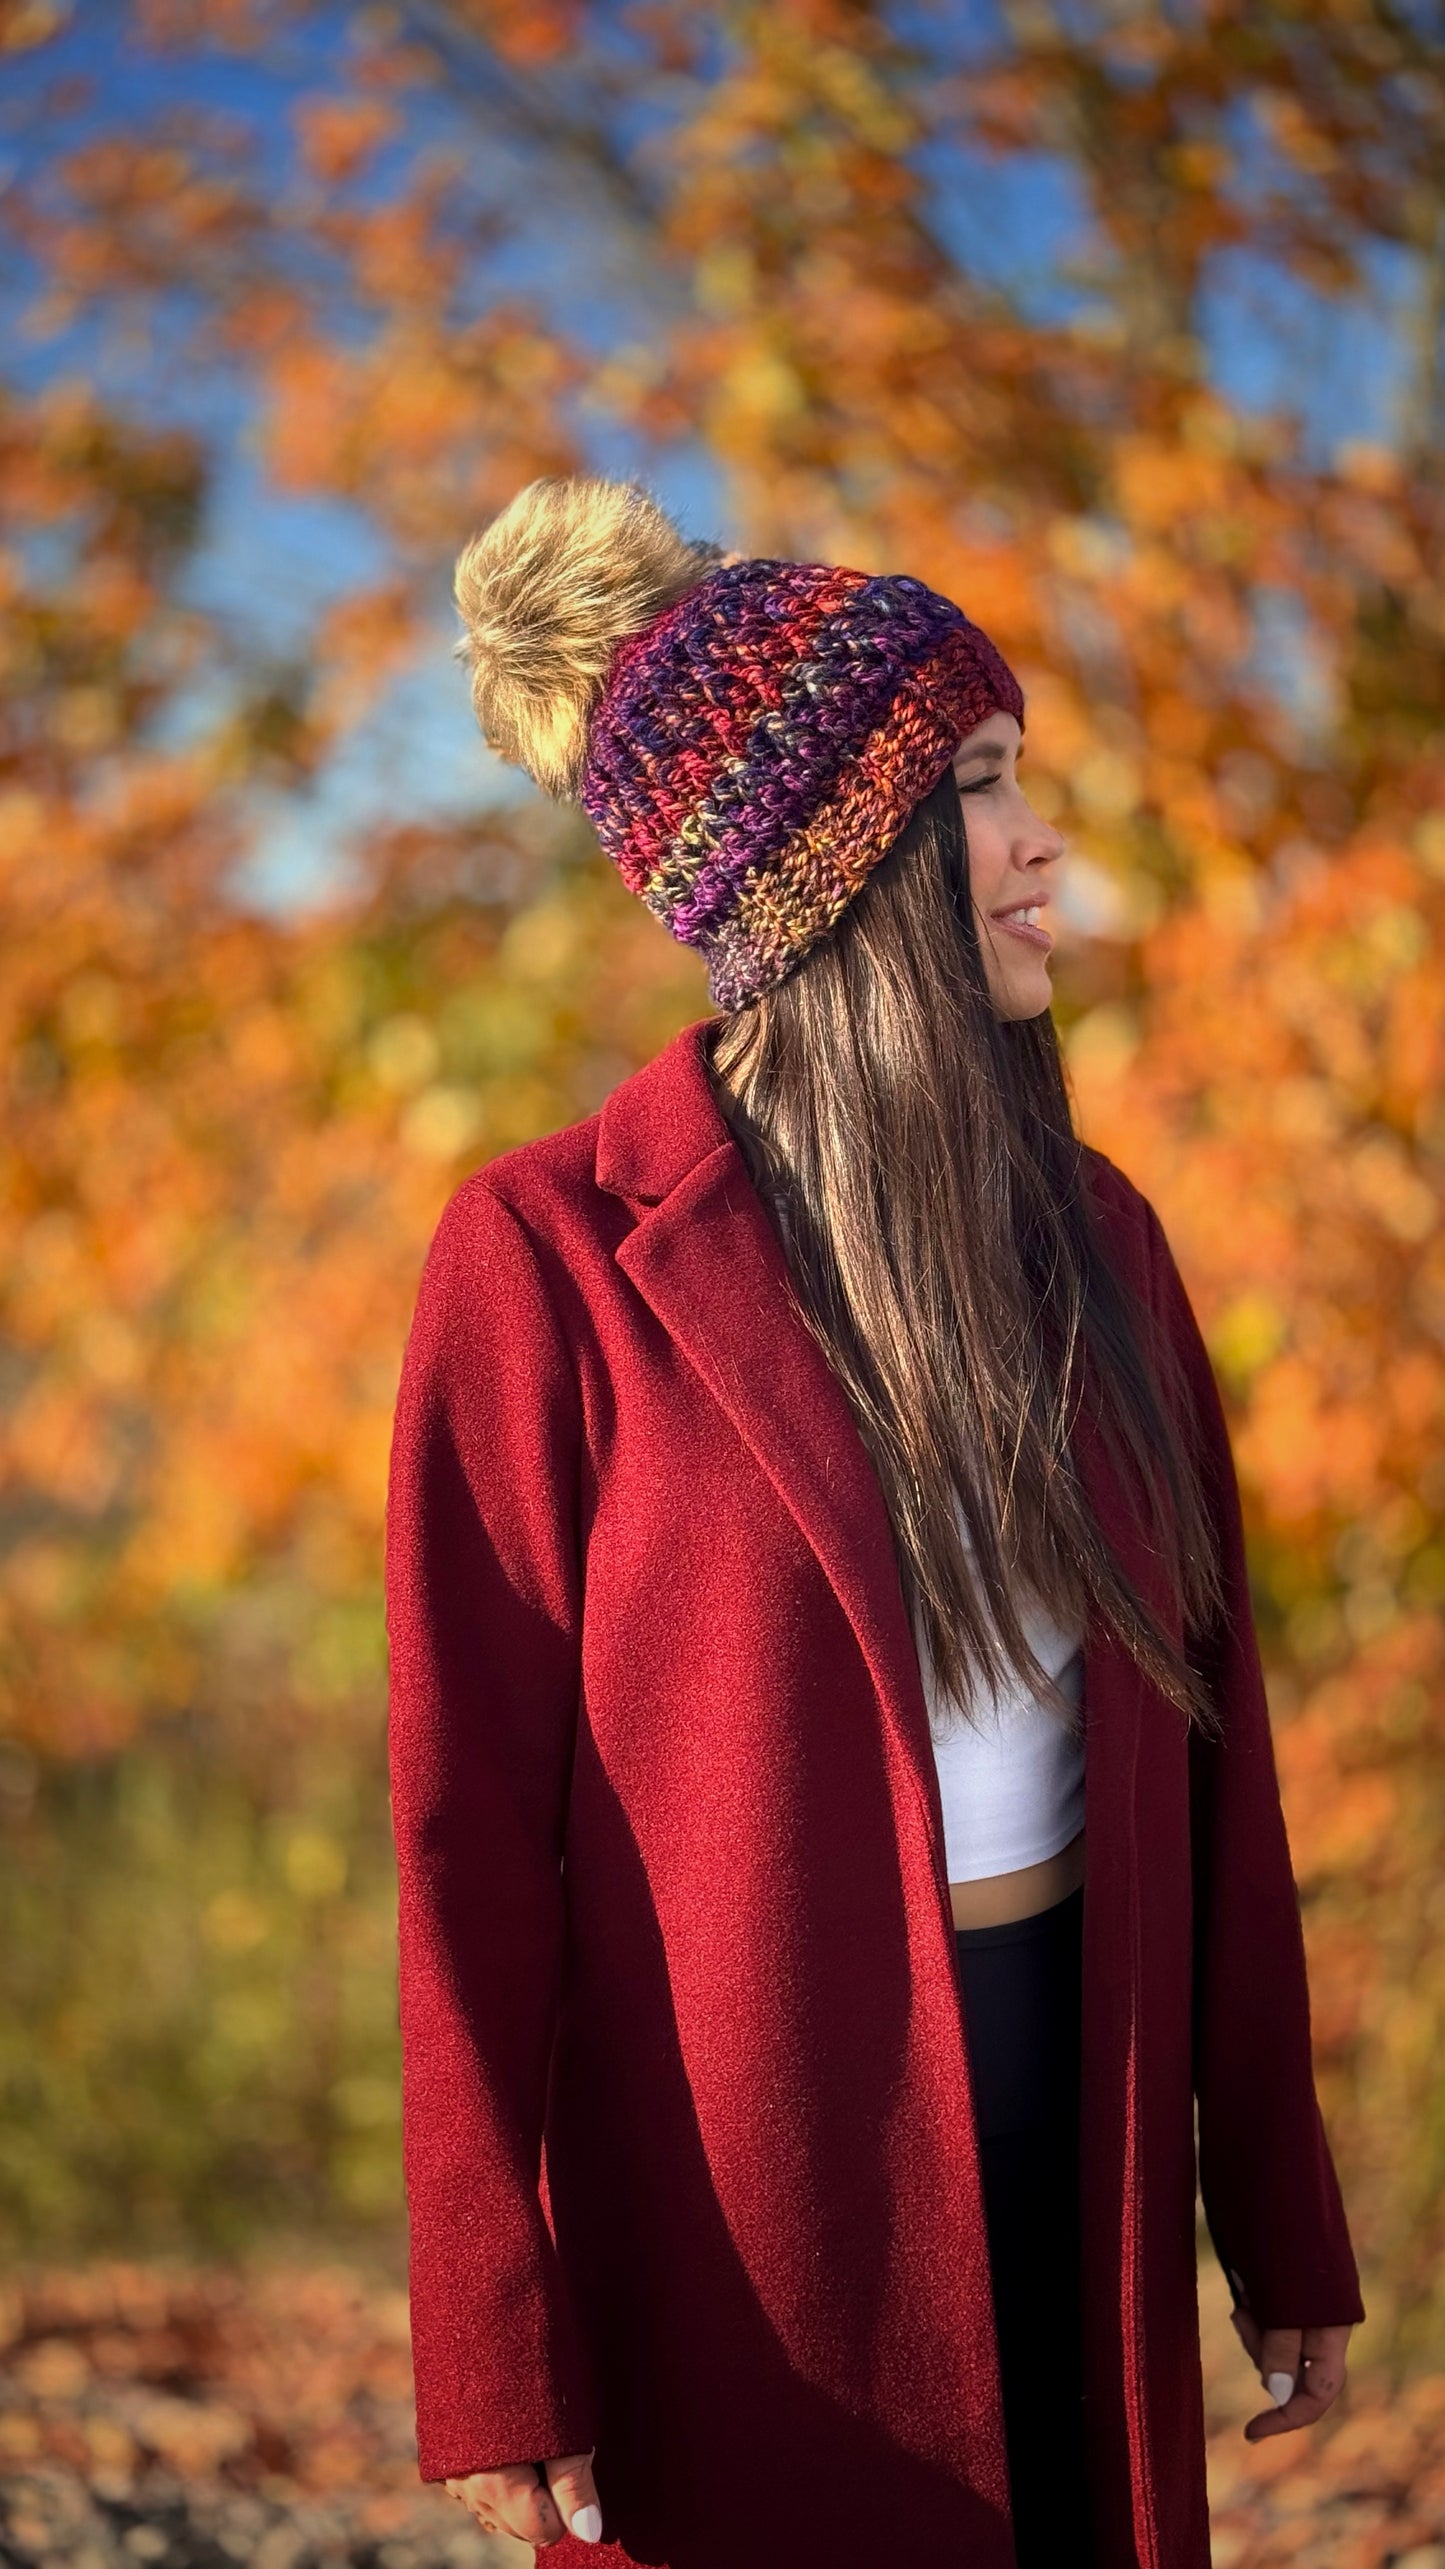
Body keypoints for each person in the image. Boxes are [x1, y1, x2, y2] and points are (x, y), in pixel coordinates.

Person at [384, 477, 1365, 2569]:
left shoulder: (1103, 1240)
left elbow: (1219, 1754)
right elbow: (467, 1834)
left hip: (1081, 2101)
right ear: (843, 867)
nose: (1044, 851)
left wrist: (1273, 2204)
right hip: (743, 2194)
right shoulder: (542, 1260)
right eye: (987, 792)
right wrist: (490, 2329)